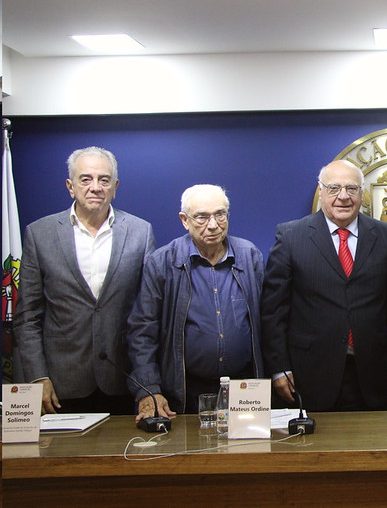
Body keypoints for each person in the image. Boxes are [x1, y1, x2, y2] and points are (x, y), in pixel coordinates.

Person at [14, 146, 155, 414]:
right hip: (59, 384)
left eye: (104, 180)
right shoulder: (40, 234)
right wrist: (38, 377)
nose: (95, 187)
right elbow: (27, 317)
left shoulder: (140, 232)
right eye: (86, 179)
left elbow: (149, 313)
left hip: (121, 380)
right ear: (71, 186)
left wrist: (149, 380)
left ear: (115, 187)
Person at [262, 160, 387, 412]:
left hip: (373, 373)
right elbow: (273, 312)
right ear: (321, 191)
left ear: (362, 193)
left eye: (351, 188)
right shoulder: (291, 237)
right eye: (334, 188)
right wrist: (279, 369)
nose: (343, 196)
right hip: (310, 372)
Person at [127, 184, 265, 422]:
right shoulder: (162, 262)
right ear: (184, 220)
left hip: (245, 388)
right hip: (185, 390)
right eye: (202, 217)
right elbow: (142, 331)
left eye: (220, 215)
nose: (213, 225)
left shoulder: (249, 256)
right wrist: (148, 389)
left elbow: (269, 322)